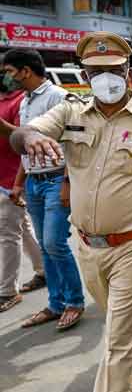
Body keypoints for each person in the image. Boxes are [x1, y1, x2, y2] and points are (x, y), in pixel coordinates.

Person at [11, 31, 132, 392]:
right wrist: (28, 135)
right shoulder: (69, 113)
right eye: (95, 71)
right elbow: (24, 133)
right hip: (87, 246)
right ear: (84, 74)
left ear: (128, 71)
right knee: (121, 322)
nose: (106, 78)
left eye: (113, 69)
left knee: (116, 341)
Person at [2, 49, 85, 330]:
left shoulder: (59, 97)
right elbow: (26, 144)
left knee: (54, 243)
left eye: (10, 72)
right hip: (34, 182)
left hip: (56, 179)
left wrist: (67, 183)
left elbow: (75, 146)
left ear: (26, 71)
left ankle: (74, 302)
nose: (7, 78)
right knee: (47, 248)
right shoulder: (25, 101)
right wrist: (18, 183)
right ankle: (55, 303)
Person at [0, 67, 46, 312]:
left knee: (8, 234)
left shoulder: (20, 101)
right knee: (23, 228)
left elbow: (22, 138)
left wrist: (17, 182)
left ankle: (7, 291)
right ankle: (43, 270)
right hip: (3, 176)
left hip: (13, 176)